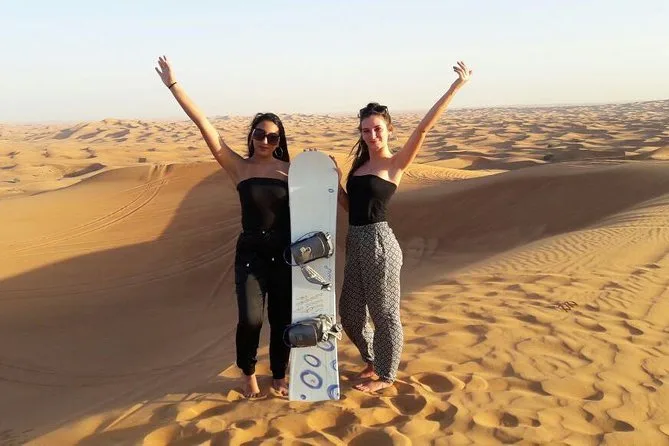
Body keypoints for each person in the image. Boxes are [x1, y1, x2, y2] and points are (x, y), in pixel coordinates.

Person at [154, 55, 292, 398]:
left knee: (282, 320)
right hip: (251, 253)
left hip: (284, 253)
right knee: (250, 318)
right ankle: (248, 372)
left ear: (279, 141)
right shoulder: (238, 167)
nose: (264, 141)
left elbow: (322, 191)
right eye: (259, 134)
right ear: (252, 136)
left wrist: (329, 170)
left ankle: (279, 374)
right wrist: (174, 85)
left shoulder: (291, 171)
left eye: (272, 137)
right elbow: (205, 125)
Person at [333, 61, 472, 393]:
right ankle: (372, 360)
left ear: (389, 129)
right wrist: (333, 182)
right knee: (350, 313)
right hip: (355, 241)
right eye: (366, 130)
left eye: (377, 129)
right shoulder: (360, 167)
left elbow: (423, 129)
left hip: (379, 244)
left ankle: (385, 375)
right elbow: (352, 207)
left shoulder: (395, 163)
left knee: (384, 313)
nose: (372, 135)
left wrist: (456, 87)